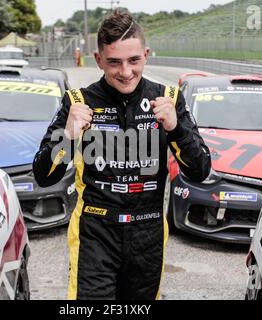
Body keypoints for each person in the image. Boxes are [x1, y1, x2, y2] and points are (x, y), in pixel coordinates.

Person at [33, 11, 211, 300]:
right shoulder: (78, 101)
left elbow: (200, 170)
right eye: (114, 62)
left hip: (148, 231)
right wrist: (67, 136)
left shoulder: (168, 98)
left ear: (146, 55)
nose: (125, 72)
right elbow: (44, 175)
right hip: (95, 232)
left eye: (134, 60)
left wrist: (176, 129)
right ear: (98, 59)